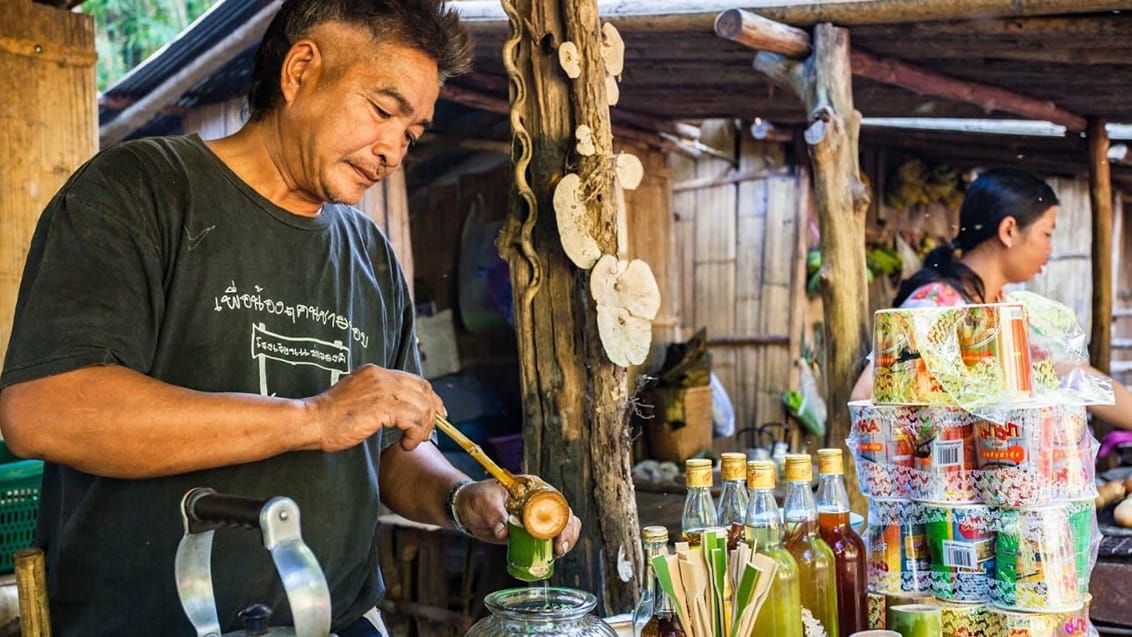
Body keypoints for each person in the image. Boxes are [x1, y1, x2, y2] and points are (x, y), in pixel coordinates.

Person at [0, 1, 580, 635]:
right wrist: (312, 419)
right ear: (301, 69)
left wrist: (461, 499)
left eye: (412, 134)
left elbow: (389, 456)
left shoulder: (371, 257)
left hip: (335, 622)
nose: (393, 149)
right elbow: (44, 412)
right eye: (383, 111)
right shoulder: (140, 191)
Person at [851, 167, 1132, 430]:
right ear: (1009, 230)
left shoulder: (1003, 308)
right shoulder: (936, 305)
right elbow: (865, 397)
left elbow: (1069, 372)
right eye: (1046, 234)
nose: (1049, 248)